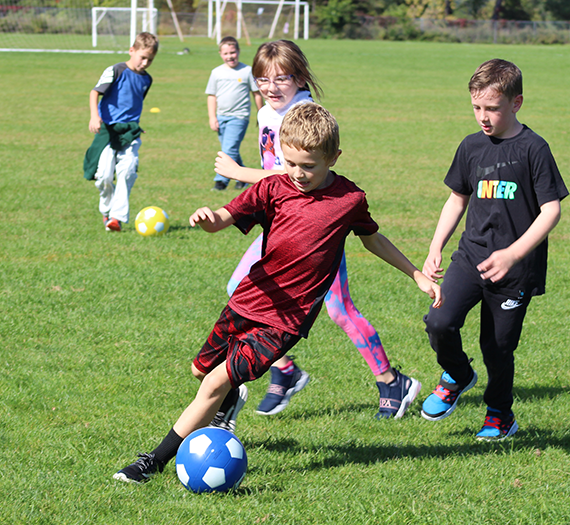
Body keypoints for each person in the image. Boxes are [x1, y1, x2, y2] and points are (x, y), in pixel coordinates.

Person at [113, 102, 442, 483]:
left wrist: (416, 273)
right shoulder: (272, 187)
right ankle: (230, 399)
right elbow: (226, 217)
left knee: (214, 382)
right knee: (200, 370)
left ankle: (151, 462)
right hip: (248, 300)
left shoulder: (349, 200)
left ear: (333, 157)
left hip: (285, 320)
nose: (298, 174)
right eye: (289, 163)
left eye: (308, 166)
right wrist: (208, 220)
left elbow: (373, 240)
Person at [215, 40, 422, 421]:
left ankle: (392, 381)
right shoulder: (267, 111)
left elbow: (290, 174)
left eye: (281, 78)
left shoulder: (303, 113)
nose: (271, 86)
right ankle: (284, 370)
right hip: (281, 226)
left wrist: (239, 173)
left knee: (340, 310)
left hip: (316, 229)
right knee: (238, 290)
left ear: (300, 78)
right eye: (262, 78)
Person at [421, 59, 567, 441]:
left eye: (493, 109)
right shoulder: (471, 147)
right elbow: (457, 199)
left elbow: (552, 210)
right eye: (476, 108)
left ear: (516, 103)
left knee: (498, 347)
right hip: (471, 256)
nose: (483, 117)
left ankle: (500, 414)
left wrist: (513, 254)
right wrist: (436, 246)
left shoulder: (534, 148)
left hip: (514, 268)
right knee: (439, 321)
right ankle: (457, 374)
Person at [83, 33, 158, 232]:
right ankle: (106, 211)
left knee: (128, 171)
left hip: (131, 132)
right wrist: (94, 116)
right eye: (142, 57)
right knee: (104, 176)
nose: (145, 63)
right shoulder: (116, 70)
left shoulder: (147, 79)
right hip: (108, 130)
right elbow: (95, 92)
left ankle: (116, 218)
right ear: (131, 51)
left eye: (150, 60)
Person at [206, 36, 263, 192]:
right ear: (220, 54)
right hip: (221, 117)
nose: (230, 56)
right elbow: (212, 96)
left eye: (233, 52)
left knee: (228, 149)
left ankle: (221, 181)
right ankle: (244, 177)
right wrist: (212, 117)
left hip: (239, 117)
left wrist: (261, 113)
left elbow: (257, 93)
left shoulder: (247, 71)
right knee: (230, 148)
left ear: (238, 51)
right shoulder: (216, 73)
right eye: (226, 53)